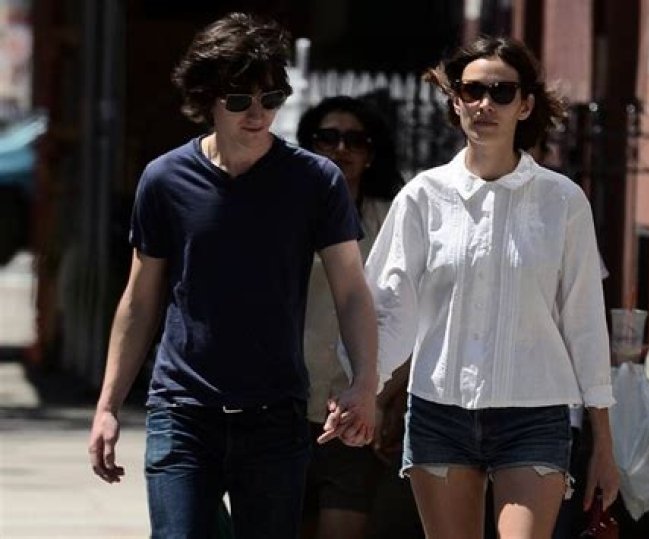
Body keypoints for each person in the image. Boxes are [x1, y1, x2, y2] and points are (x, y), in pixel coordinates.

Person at [87, 12, 378, 539]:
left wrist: (364, 382)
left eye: (271, 98)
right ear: (207, 100)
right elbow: (140, 299)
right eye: (240, 100)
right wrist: (108, 406)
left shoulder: (315, 182)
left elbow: (352, 292)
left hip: (274, 415)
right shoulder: (165, 180)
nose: (258, 114)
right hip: (182, 410)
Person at [363, 34, 620, 539]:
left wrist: (604, 446)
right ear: (456, 101)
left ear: (525, 105)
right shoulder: (422, 197)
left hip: (535, 414)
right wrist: (363, 389)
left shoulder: (563, 201)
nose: (485, 104)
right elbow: (390, 308)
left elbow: (585, 324)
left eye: (502, 92)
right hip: (439, 412)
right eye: (472, 90)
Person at [295, 95, 410, 539]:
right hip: (285, 406)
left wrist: (384, 398)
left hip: (356, 410)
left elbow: (413, 315)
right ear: (309, 146)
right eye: (328, 138)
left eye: (355, 140)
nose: (341, 149)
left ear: (371, 153)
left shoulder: (392, 220)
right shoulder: (284, 215)